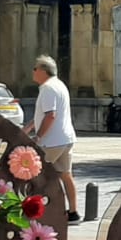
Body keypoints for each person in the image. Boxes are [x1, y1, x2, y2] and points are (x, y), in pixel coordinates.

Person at [26, 55, 80, 222]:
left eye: (35, 68)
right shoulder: (59, 85)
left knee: (36, 176)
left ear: (43, 70)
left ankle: (38, 212)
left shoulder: (48, 88)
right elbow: (43, 115)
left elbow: (50, 115)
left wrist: (38, 136)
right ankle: (73, 212)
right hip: (66, 138)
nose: (33, 72)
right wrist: (28, 127)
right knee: (65, 174)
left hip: (51, 141)